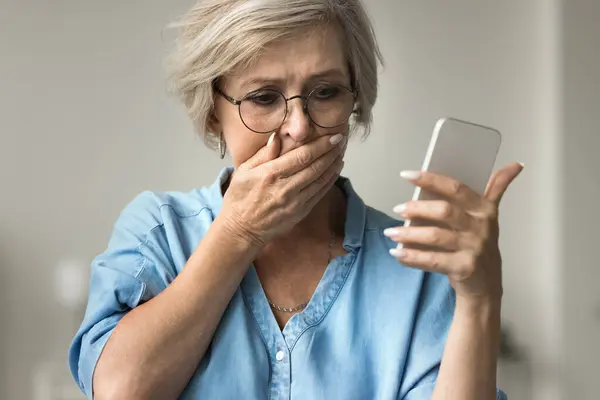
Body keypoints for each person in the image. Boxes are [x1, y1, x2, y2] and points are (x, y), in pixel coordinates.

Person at [68, 0, 523, 399]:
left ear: (356, 100)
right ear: (212, 112)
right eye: (264, 98)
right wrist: (238, 231)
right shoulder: (159, 233)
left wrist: (481, 298)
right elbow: (121, 391)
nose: (300, 127)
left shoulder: (416, 268)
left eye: (325, 92)